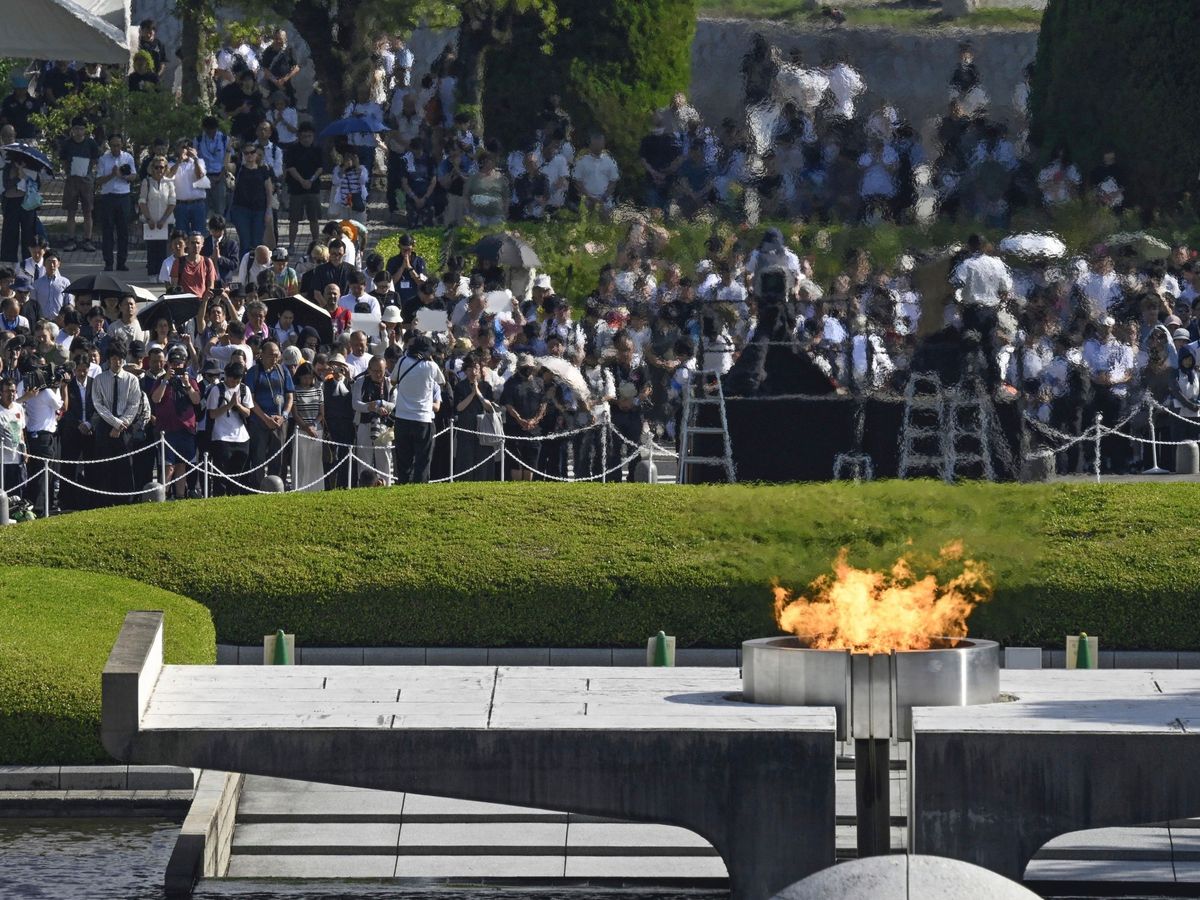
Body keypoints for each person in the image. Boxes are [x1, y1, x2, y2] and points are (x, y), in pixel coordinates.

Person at [89, 340, 143, 500]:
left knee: (125, 465)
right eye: (114, 358)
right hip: (104, 426)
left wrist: (121, 424)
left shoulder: (132, 380)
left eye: (120, 358)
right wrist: (114, 423)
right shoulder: (99, 379)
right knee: (104, 465)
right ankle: (104, 499)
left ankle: (126, 499)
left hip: (125, 427)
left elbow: (134, 404)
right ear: (109, 359)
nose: (117, 362)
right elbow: (98, 404)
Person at [391, 333, 444, 483]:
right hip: (423, 419)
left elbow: (393, 380)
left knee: (403, 461)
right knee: (423, 461)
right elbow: (442, 381)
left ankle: (403, 486)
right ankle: (420, 489)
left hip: (402, 417)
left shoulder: (401, 361)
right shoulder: (431, 366)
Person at [149, 345, 200, 499]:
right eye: (173, 363)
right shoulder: (160, 380)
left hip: (185, 429)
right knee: (168, 465)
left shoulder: (190, 380)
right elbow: (155, 399)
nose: (177, 366)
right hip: (167, 429)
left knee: (181, 464)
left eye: (180, 363)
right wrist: (165, 381)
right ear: (168, 364)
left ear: (184, 364)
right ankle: (162, 495)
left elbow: (196, 400)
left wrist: (187, 385)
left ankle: (180, 495)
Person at [19, 358, 66, 513]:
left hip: (32, 436)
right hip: (45, 437)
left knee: (37, 472)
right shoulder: (45, 392)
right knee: (44, 474)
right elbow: (60, 404)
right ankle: (40, 508)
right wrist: (59, 385)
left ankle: (38, 506)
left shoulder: (25, 388)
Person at [206, 361, 252, 495]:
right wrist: (229, 405)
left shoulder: (244, 389)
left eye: (238, 380)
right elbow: (212, 414)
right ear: (226, 376)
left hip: (241, 437)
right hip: (221, 437)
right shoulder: (216, 390)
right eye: (233, 380)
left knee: (237, 472)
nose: (235, 383)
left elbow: (248, 412)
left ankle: (234, 495)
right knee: (221, 473)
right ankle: (220, 496)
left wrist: (237, 405)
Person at [451, 352, 498, 480]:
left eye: (476, 368)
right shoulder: (460, 386)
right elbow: (459, 407)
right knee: (466, 457)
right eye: (470, 368)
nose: (473, 371)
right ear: (465, 370)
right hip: (466, 426)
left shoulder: (485, 386)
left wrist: (478, 393)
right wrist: (471, 394)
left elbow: (490, 407)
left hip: (482, 426)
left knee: (483, 457)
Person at [499, 353, 546, 481]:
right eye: (526, 367)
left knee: (531, 461)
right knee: (516, 461)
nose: (528, 369)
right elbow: (508, 404)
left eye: (530, 367)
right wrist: (519, 419)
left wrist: (535, 420)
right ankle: (516, 489)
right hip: (515, 427)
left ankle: (528, 488)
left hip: (534, 429)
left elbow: (543, 403)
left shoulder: (539, 382)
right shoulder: (511, 383)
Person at [58, 117, 100, 252]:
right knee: (71, 211)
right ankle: (71, 239)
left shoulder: (91, 143)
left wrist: (87, 171)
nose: (78, 131)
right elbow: (63, 161)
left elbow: (94, 160)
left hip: (86, 180)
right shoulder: (67, 144)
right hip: (72, 180)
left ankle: (87, 240)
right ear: (72, 130)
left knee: (88, 211)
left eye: (81, 129)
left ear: (85, 130)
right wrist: (69, 172)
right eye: (76, 128)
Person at [95, 134, 136, 272]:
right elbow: (98, 180)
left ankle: (122, 262)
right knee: (107, 231)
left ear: (122, 145)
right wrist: (112, 175)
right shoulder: (103, 159)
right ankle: (108, 262)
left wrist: (122, 175)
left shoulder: (127, 157)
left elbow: (134, 176)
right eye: (113, 145)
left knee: (123, 231)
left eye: (118, 145)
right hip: (108, 197)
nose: (116, 148)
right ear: (109, 145)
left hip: (123, 196)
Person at [352, 355, 395, 484]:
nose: (378, 374)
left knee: (385, 458)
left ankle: (386, 485)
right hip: (365, 424)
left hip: (384, 427)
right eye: (375, 371)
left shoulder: (389, 383)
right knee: (364, 458)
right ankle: (365, 486)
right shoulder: (360, 382)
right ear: (369, 370)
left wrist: (381, 404)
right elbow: (355, 403)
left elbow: (394, 404)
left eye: (380, 371)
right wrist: (369, 407)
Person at [284, 123, 323, 250]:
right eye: (304, 136)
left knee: (314, 218)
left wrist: (310, 180)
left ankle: (316, 243)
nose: (307, 139)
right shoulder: (292, 149)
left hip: (313, 188)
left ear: (313, 136)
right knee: (294, 219)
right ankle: (291, 245)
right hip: (296, 189)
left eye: (309, 136)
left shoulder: (317, 149)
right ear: (299, 136)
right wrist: (302, 181)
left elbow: (321, 167)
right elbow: (290, 167)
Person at [229, 143, 273, 251]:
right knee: (245, 241)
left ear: (256, 154)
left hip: (259, 210)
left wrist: (269, 210)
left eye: (252, 152)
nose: (250, 155)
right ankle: (244, 266)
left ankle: (256, 266)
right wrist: (227, 150)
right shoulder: (239, 168)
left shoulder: (263, 169)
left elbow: (269, 191)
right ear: (243, 155)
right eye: (246, 153)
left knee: (257, 242)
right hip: (241, 209)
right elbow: (226, 166)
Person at [138, 155, 176, 277]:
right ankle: (152, 273)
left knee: (164, 250)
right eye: (156, 167)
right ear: (152, 168)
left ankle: (163, 275)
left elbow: (172, 202)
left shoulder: (169, 182)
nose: (159, 170)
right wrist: (149, 219)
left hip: (166, 222)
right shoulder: (147, 182)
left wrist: (163, 220)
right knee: (152, 249)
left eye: (162, 167)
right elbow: (142, 201)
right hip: (150, 222)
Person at [170, 139, 209, 237]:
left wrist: (195, 159)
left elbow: (200, 176)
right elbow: (169, 175)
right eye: (183, 147)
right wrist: (179, 161)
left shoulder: (199, 161)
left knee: (199, 236)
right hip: (180, 205)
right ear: (178, 149)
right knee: (181, 236)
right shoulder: (172, 164)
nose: (186, 149)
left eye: (189, 146)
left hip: (198, 204)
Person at [197, 116, 233, 216]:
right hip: (204, 176)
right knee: (203, 208)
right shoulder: (198, 140)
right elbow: (196, 160)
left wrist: (219, 177)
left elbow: (228, 159)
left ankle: (221, 230)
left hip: (220, 175)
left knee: (220, 208)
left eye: (213, 129)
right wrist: (205, 177)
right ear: (204, 128)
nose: (211, 132)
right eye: (208, 129)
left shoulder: (225, 139)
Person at [0, 376, 25, 493]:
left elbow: (21, 431)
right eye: (7, 391)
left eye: (13, 391)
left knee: (16, 494)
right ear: (1, 393)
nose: (11, 394)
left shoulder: (18, 408)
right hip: (2, 460)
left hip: (16, 459)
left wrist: (24, 451)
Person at [30, 252, 71, 321]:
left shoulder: (65, 282)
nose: (52, 265)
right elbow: (33, 306)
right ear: (44, 264)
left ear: (59, 264)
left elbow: (69, 304)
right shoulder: (37, 284)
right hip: (42, 322)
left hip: (60, 322)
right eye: (49, 262)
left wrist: (62, 317)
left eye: (54, 262)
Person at [328, 150, 368, 220]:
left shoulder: (361, 169)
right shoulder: (338, 169)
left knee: (358, 222)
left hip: (357, 200)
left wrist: (357, 167)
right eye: (347, 159)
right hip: (343, 202)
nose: (349, 161)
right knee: (344, 223)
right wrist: (343, 169)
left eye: (351, 158)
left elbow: (363, 181)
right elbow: (335, 182)